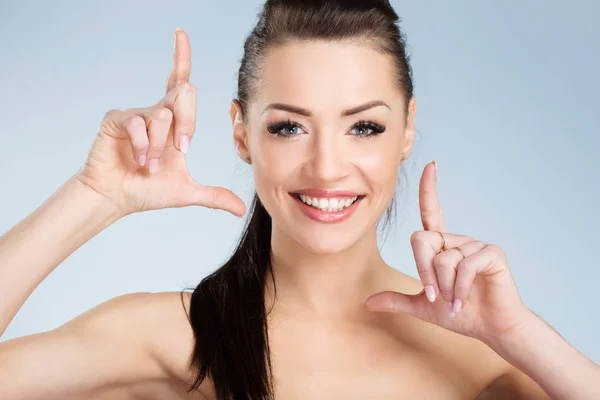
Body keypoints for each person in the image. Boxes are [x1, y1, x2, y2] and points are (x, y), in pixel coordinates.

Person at [0, 1, 598, 399]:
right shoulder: (180, 337)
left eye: (363, 127)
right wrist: (94, 195)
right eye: (289, 126)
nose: (328, 167)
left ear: (408, 129)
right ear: (241, 133)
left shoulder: (482, 357)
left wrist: (521, 335)